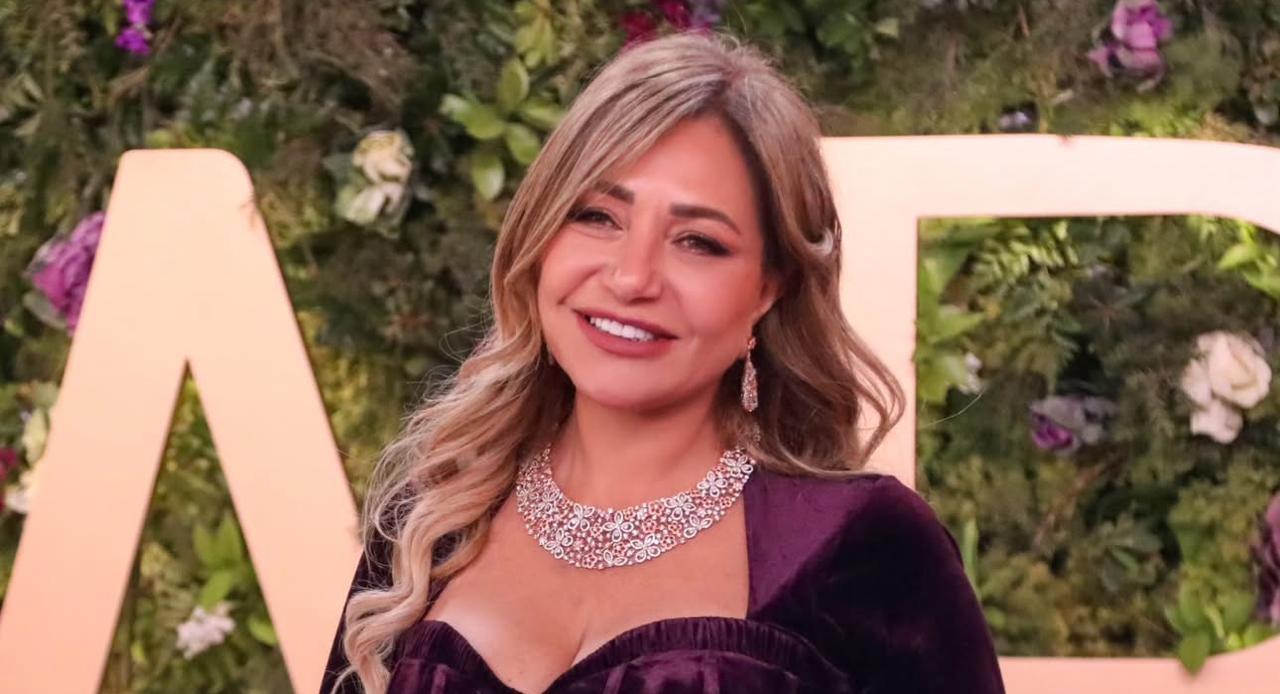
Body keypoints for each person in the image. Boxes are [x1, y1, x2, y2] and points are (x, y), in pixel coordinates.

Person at [321, 32, 1005, 694]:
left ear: (769, 288)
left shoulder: (864, 548)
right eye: (597, 217)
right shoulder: (432, 520)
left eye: (698, 242)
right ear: (541, 236)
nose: (631, 277)